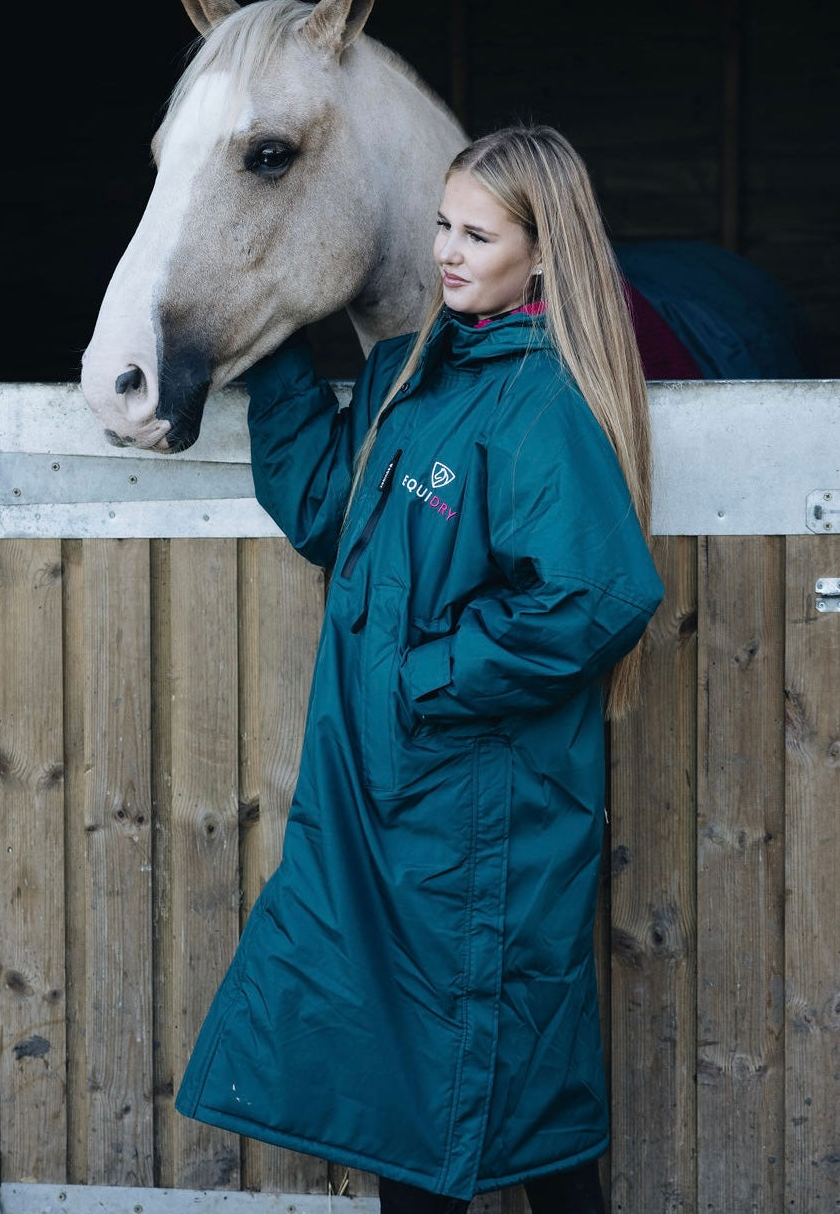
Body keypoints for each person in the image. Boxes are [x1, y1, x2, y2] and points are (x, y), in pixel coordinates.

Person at [175, 124, 665, 1213]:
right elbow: (323, 512)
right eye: (441, 224)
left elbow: (598, 594)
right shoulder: (412, 375)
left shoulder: (537, 404)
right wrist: (280, 349)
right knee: (451, 1092)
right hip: (390, 807)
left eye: (477, 234)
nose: (447, 251)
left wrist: (423, 679)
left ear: (541, 256)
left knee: (474, 1096)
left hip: (474, 822)